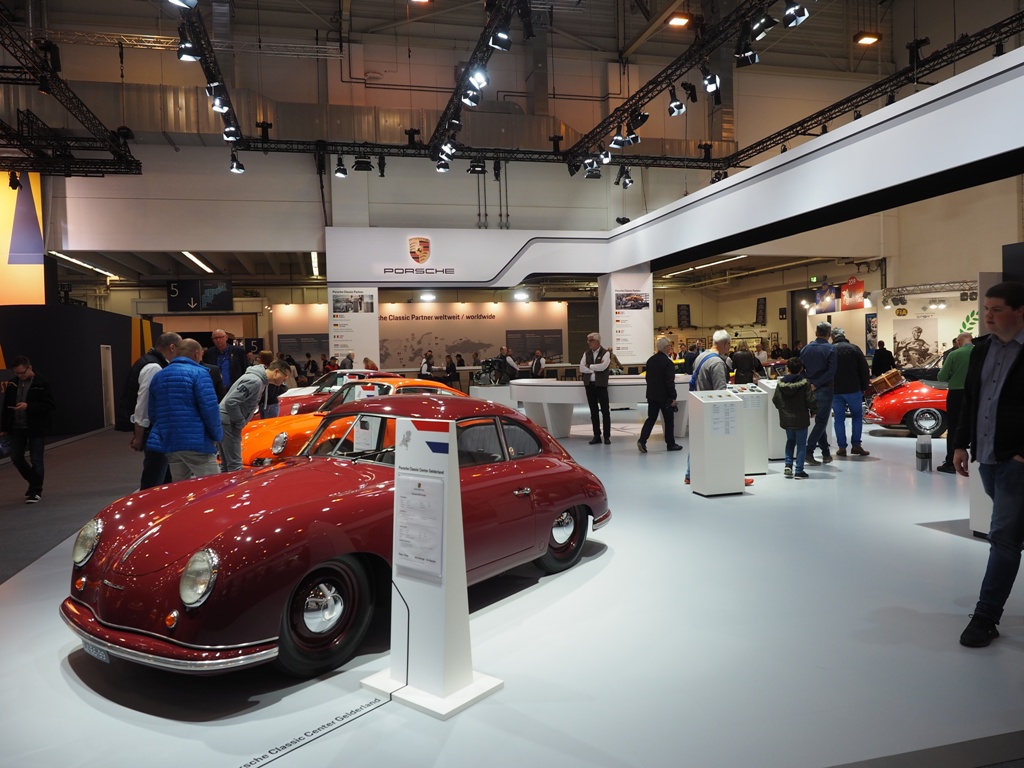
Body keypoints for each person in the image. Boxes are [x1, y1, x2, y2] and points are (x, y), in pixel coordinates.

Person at [953, 282, 1024, 648]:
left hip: (1016, 461)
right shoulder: (981, 349)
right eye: (986, 309)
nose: (988, 316)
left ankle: (985, 617)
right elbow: (971, 399)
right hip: (987, 457)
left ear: (1020, 311)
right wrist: (959, 443)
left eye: (996, 309)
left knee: (1004, 537)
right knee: (1010, 531)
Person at [147, 339, 223, 482]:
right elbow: (210, 409)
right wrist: (217, 436)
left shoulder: (159, 375)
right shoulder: (199, 373)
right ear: (196, 354)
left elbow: (153, 411)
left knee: (180, 486)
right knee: (214, 485)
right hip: (196, 441)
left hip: (170, 441)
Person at [686, 330, 752, 485]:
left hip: (699, 405)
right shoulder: (717, 363)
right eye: (729, 345)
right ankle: (732, 476)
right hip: (714, 410)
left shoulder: (701, 356)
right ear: (725, 344)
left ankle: (690, 473)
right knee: (726, 442)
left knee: (697, 441)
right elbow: (721, 393)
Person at [126, 332, 181, 489]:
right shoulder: (154, 367)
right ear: (172, 347)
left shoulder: (149, 362)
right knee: (154, 481)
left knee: (162, 478)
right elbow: (143, 402)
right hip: (154, 431)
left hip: (153, 430)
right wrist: (139, 435)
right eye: (180, 348)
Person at [0, 356, 56, 503]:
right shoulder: (12, 383)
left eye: (22, 372)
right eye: (16, 373)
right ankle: (34, 481)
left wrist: (28, 406)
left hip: (36, 428)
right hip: (15, 427)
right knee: (16, 457)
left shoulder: (42, 383)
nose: (19, 376)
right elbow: (5, 407)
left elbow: (49, 405)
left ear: (29, 368)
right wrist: (3, 427)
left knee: (36, 459)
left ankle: (36, 491)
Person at [219, 359, 291, 472]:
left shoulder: (258, 380)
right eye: (285, 376)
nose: (284, 380)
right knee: (234, 465)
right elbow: (231, 402)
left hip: (226, 420)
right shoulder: (255, 381)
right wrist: (240, 421)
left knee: (227, 464)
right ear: (276, 372)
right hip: (229, 422)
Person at [935, 332, 974, 473]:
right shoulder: (980, 352)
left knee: (954, 427)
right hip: (976, 393)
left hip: (957, 394)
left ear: (958, 342)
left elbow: (941, 377)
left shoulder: (954, 354)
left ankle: (951, 463)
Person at [800, 321, 837, 466]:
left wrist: (809, 383)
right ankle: (808, 451)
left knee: (820, 422)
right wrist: (816, 384)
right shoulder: (831, 349)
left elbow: (800, 370)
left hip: (809, 389)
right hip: (825, 388)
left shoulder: (805, 349)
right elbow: (831, 372)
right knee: (821, 422)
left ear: (816, 333)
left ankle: (826, 453)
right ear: (829, 334)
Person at [772, 357, 816, 479]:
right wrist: (813, 410)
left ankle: (788, 465)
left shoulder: (781, 383)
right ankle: (799, 470)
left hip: (786, 418)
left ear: (788, 368)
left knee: (790, 441)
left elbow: (775, 399)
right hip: (801, 418)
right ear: (801, 369)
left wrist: (783, 410)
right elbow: (810, 400)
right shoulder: (805, 383)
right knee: (801, 444)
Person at [830, 327, 871, 457]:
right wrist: (864, 387)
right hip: (854, 389)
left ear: (832, 337)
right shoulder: (854, 348)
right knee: (857, 416)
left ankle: (842, 447)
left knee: (838, 419)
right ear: (844, 335)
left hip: (835, 390)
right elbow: (864, 369)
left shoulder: (830, 349)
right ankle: (856, 445)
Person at [637, 337, 681, 453]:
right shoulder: (668, 363)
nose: (670, 348)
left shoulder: (650, 360)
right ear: (666, 348)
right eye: (670, 346)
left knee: (651, 418)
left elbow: (647, 378)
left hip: (652, 395)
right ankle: (670, 444)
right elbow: (669, 381)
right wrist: (673, 397)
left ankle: (642, 440)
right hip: (665, 396)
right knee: (668, 420)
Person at [580, 332, 612, 444]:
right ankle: (596, 436)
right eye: (588, 341)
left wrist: (589, 366)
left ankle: (607, 436)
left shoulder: (606, 353)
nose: (588, 343)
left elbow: (603, 367)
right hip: (589, 385)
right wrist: (595, 368)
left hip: (601, 385)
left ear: (597, 341)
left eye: (591, 341)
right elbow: (581, 368)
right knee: (593, 412)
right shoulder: (586, 353)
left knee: (605, 411)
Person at [257, 350, 288, 419]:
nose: (257, 359)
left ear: (264, 359)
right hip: (265, 404)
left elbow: (271, 391)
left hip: (270, 405)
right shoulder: (264, 371)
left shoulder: (271, 372)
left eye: (259, 357)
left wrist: (260, 399)